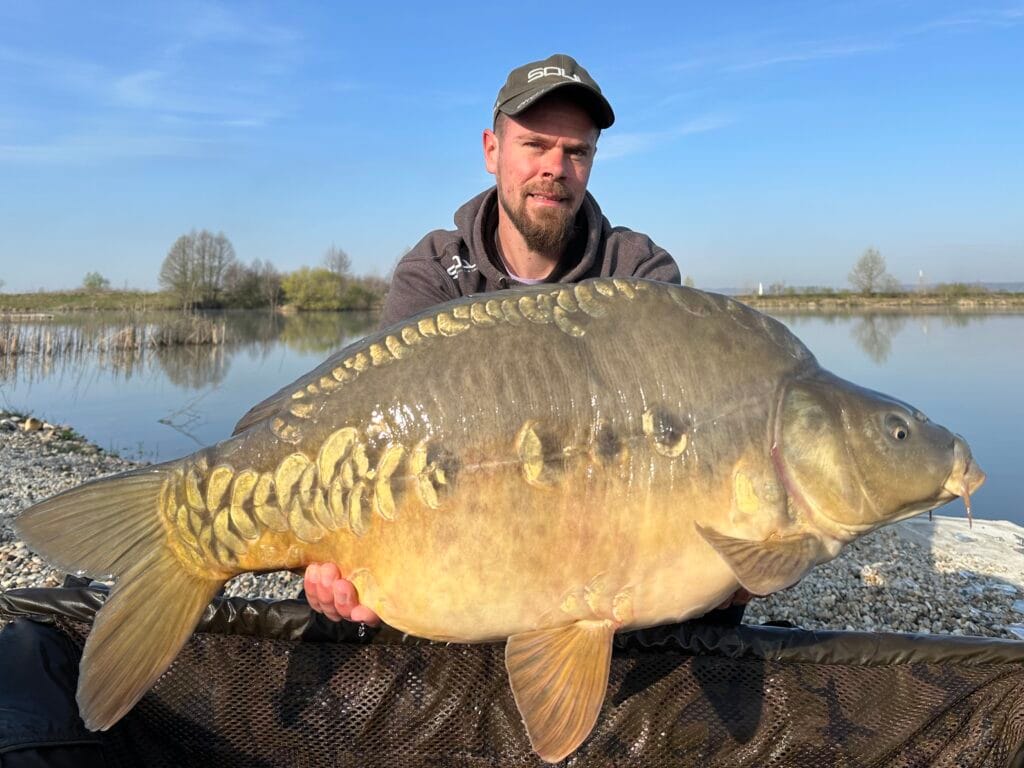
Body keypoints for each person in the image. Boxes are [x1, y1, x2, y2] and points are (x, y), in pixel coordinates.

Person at [303, 53, 750, 627]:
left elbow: (679, 435)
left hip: (604, 557)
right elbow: (376, 426)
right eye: (535, 145)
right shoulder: (435, 271)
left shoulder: (639, 272)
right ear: (492, 151)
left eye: (576, 152)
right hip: (462, 550)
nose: (555, 168)